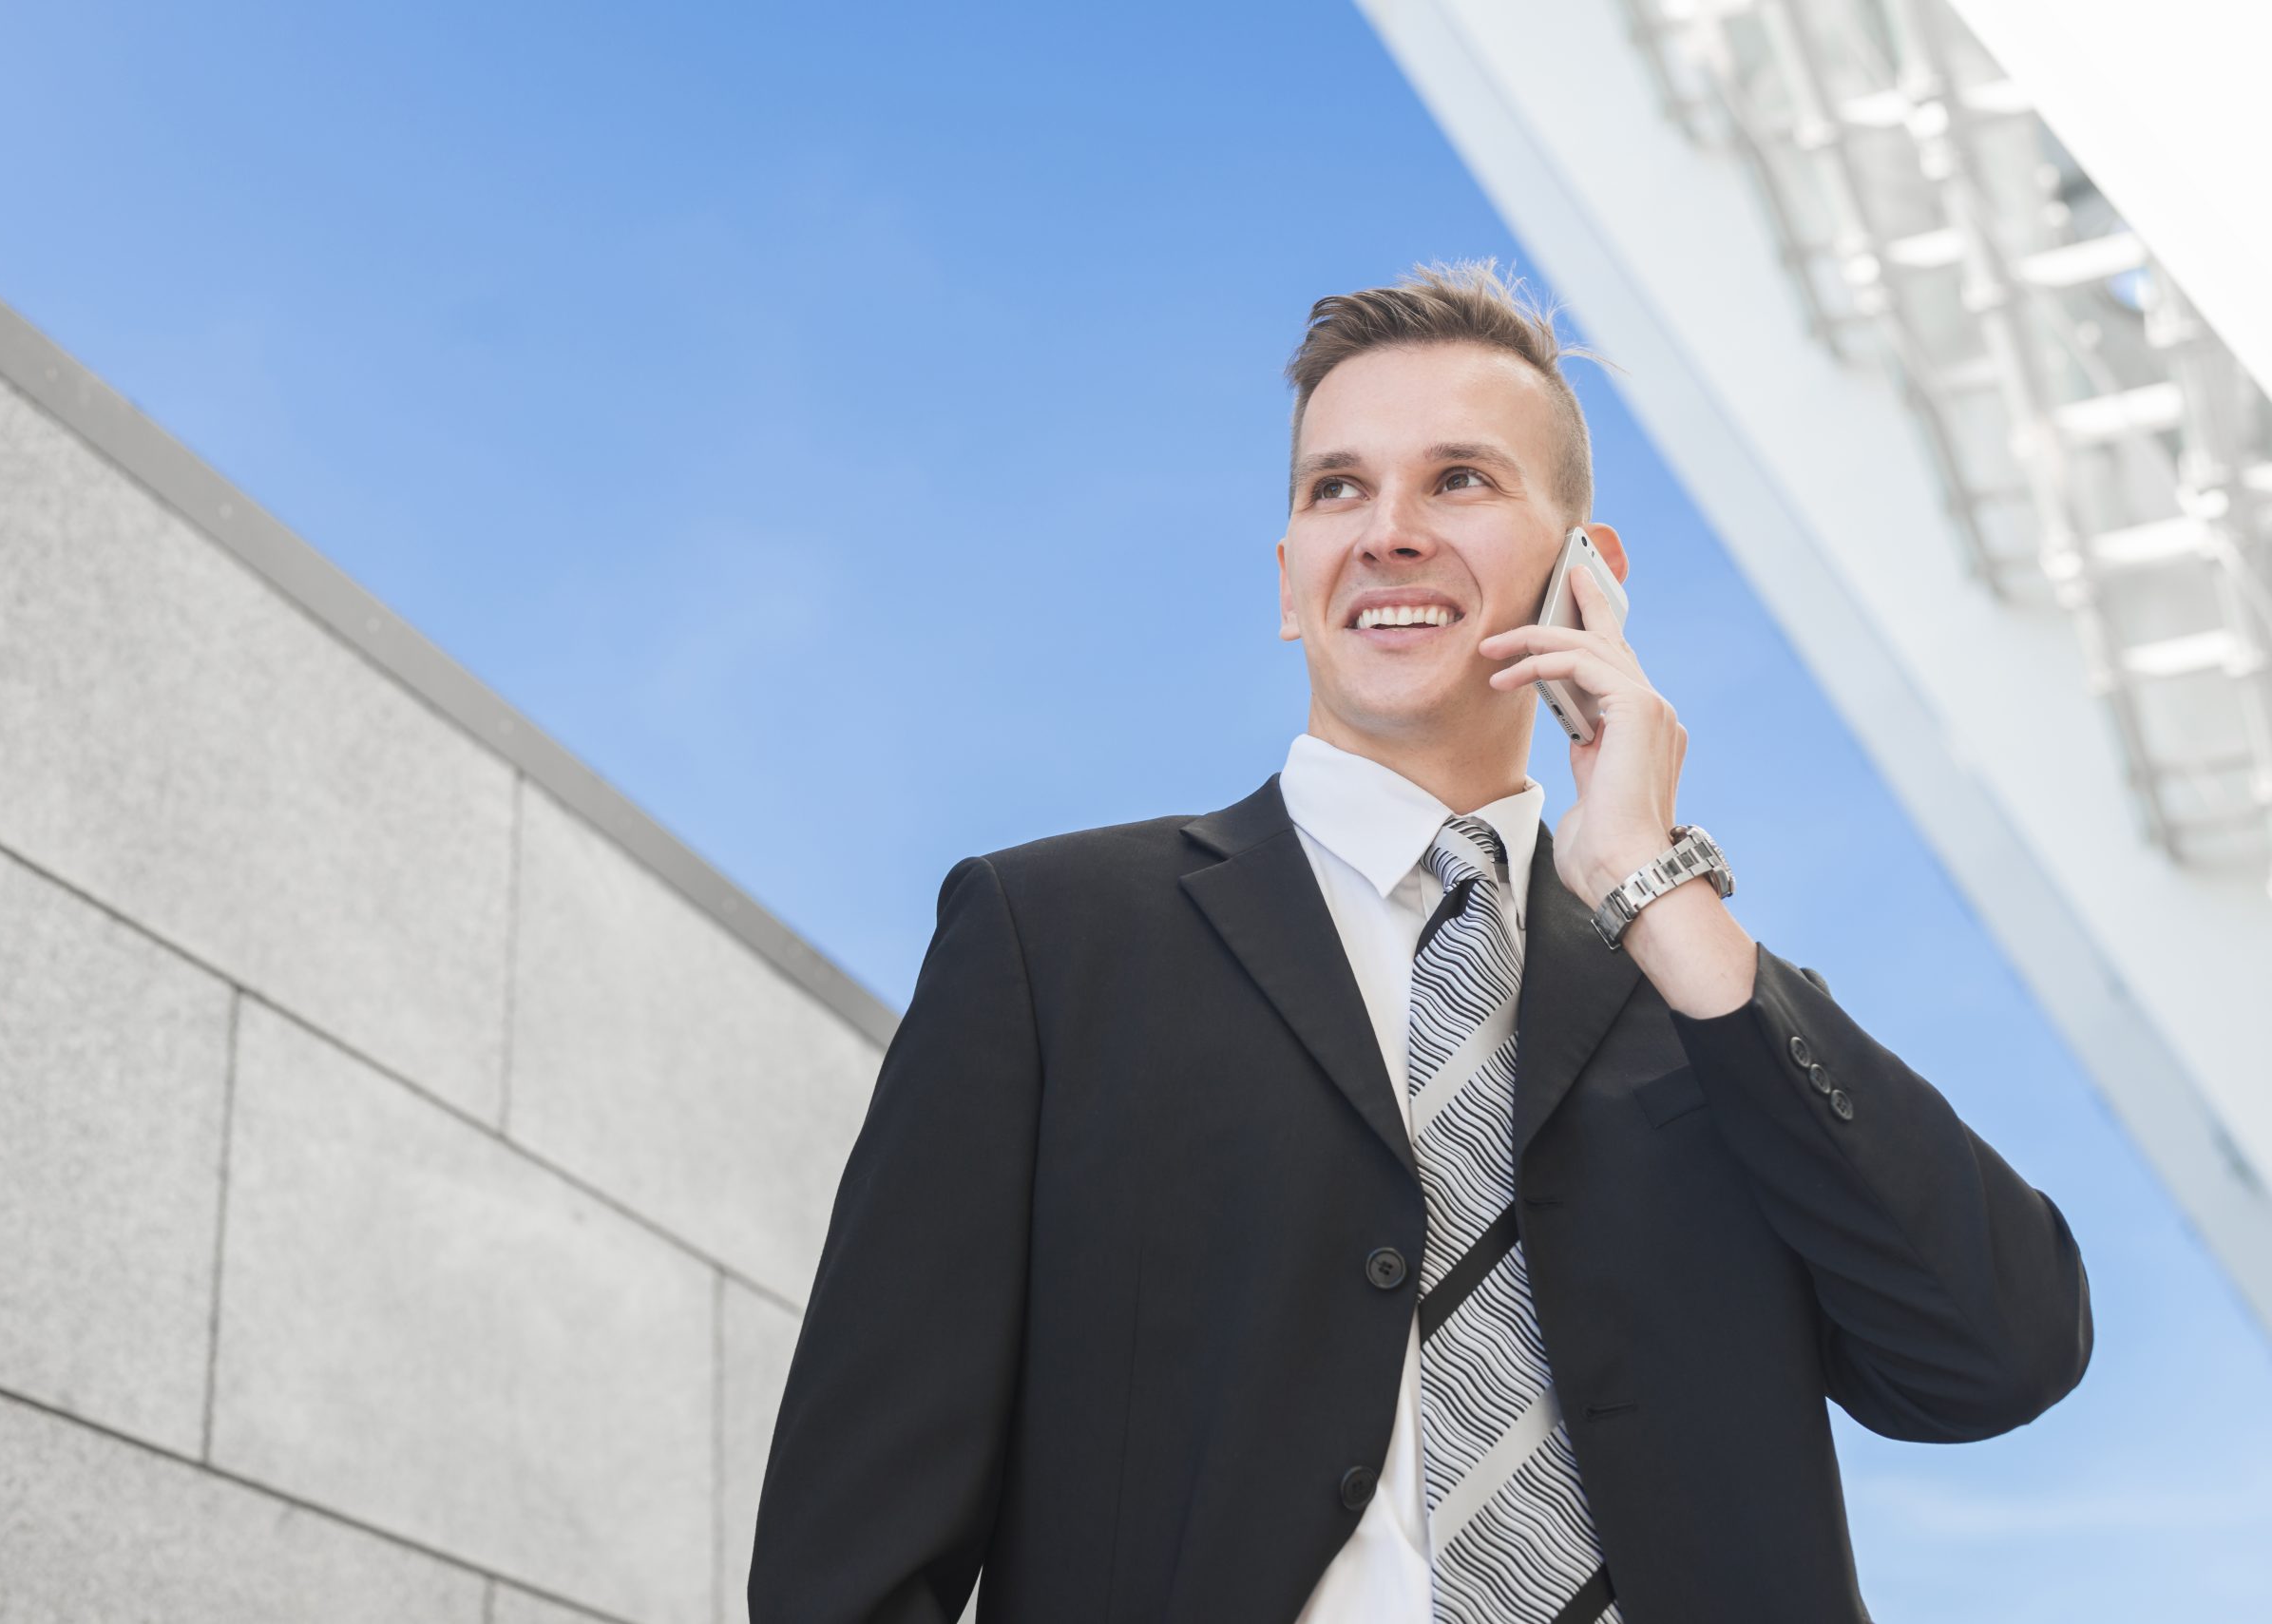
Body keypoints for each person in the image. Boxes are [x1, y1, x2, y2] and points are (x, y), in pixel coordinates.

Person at [746, 258, 2092, 1623]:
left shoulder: (1714, 1010)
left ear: (1588, 573)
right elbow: (848, 1558)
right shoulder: (1051, 946)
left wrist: (1655, 884)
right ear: (1290, 579)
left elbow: (2000, 1355)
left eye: (1459, 480)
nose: (1388, 533)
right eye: (1337, 488)